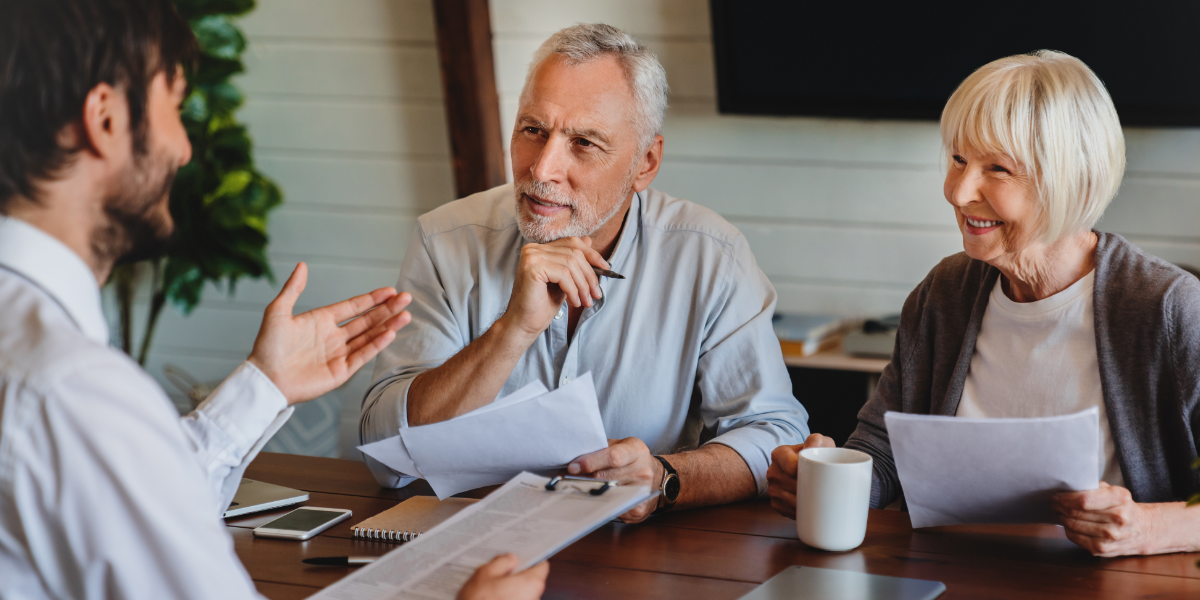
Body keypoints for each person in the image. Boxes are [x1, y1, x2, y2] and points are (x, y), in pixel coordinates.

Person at [0, 0, 546, 598]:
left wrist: (268, 382)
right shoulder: (72, 391)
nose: (183, 149)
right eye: (174, 108)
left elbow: (137, 497)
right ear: (104, 119)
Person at [361, 23, 810, 523]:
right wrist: (513, 331)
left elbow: (776, 433)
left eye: (584, 143)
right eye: (533, 130)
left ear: (645, 163)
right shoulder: (444, 240)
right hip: (471, 545)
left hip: (638, 559)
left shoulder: (711, 256)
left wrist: (665, 478)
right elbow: (384, 455)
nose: (543, 168)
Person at [767, 50, 1200, 557]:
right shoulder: (943, 294)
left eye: (996, 168)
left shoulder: (1169, 310)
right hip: (947, 576)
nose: (957, 190)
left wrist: (1146, 528)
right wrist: (826, 476)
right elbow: (883, 454)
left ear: (1069, 179)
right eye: (957, 159)